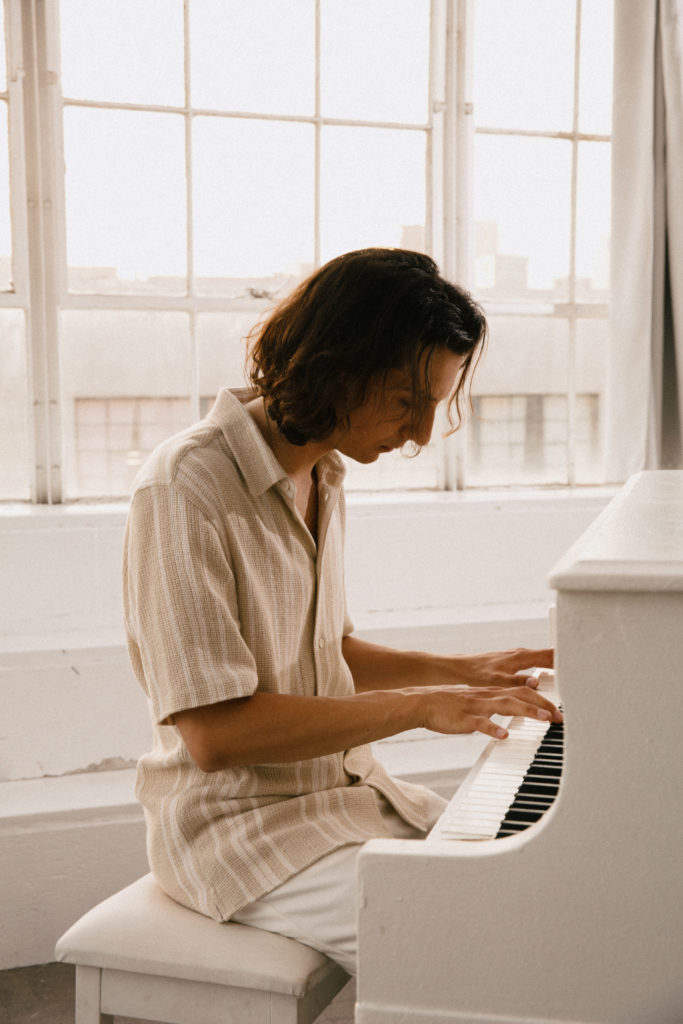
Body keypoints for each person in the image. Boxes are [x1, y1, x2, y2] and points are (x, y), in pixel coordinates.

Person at [123, 248, 559, 975]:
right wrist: (425, 703)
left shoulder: (323, 467)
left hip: (346, 798)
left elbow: (322, 653)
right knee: (470, 952)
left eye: (432, 407)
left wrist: (461, 669)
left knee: (529, 895)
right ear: (336, 363)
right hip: (241, 833)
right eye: (405, 401)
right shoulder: (184, 488)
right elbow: (215, 732)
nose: (420, 433)